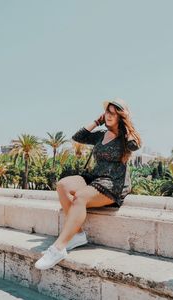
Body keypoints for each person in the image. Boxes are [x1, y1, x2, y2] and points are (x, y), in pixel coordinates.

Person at [35, 97, 142, 270]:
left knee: (80, 197)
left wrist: (127, 124)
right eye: (107, 111)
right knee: (63, 185)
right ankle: (77, 235)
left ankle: (57, 249)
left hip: (112, 183)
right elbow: (78, 136)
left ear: (120, 117)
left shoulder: (125, 138)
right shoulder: (101, 136)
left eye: (113, 113)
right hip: (94, 177)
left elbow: (134, 145)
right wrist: (96, 121)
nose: (109, 115)